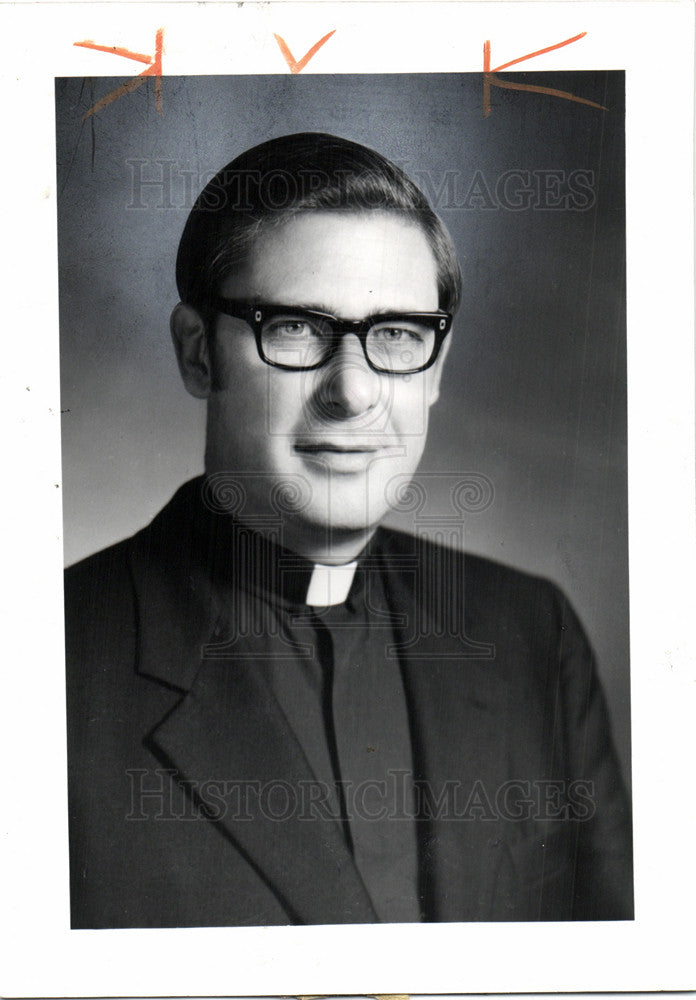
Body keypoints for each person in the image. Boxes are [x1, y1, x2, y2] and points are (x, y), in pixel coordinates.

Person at [64, 132, 633, 928]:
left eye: (397, 334)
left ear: (433, 370)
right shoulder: (44, 664)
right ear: (198, 354)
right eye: (296, 328)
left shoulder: (534, 636)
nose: (353, 391)